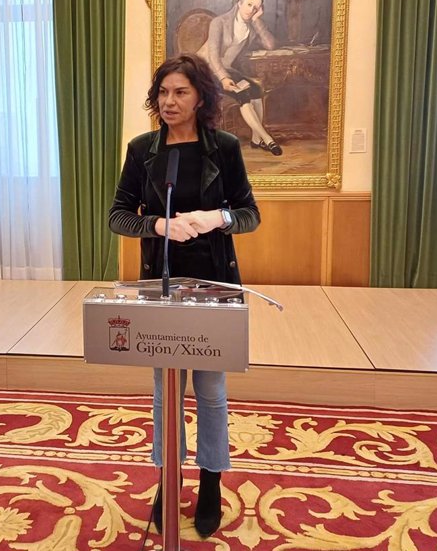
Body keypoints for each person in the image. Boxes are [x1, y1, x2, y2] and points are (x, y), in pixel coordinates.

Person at [109, 54, 260, 537]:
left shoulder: (226, 147)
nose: (169, 102)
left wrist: (219, 217)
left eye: (180, 92)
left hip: (215, 283)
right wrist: (157, 224)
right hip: (162, 284)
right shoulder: (142, 150)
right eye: (163, 93)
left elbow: (249, 213)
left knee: (211, 393)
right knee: (165, 392)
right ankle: (167, 476)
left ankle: (211, 480)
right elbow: (117, 216)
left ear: (201, 97)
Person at [196, 0, 283, 155]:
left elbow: (271, 45)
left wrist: (257, 21)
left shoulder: (250, 27)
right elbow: (213, 57)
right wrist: (223, 78)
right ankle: (268, 139)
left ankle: (256, 140)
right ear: (239, 3)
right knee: (243, 94)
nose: (252, 10)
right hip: (205, 70)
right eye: (249, 5)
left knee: (256, 90)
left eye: (256, 8)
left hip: (226, 69)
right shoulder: (219, 23)